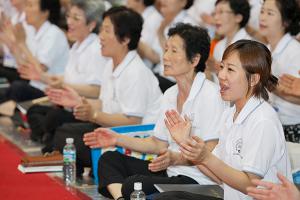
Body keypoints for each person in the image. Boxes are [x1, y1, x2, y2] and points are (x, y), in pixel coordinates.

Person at [83, 23, 225, 200]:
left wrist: (176, 157)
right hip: (170, 171)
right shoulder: (170, 94)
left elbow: (210, 153)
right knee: (109, 159)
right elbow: (158, 144)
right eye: (166, 49)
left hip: (198, 180)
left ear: (195, 60)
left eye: (174, 51)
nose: (165, 56)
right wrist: (116, 138)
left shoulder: (211, 95)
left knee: (133, 184)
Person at [154, 40, 292, 200]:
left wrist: (205, 156)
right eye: (221, 67)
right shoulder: (230, 113)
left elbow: (250, 185)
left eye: (230, 70)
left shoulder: (263, 120)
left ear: (253, 79)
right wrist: (186, 143)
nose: (221, 75)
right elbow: (218, 176)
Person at [45, 6, 162, 176]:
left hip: (136, 140)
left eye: (107, 31)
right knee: (65, 131)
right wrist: (77, 101)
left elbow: (132, 121)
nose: (100, 37)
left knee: (71, 139)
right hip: (113, 130)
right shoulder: (111, 64)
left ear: (125, 39)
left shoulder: (136, 72)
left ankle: (95, 167)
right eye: (101, 30)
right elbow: (104, 103)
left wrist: (93, 115)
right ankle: (90, 167)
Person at [25, 0, 107, 147]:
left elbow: (97, 90)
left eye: (76, 18)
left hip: (83, 111)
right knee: (35, 111)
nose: (69, 22)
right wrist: (47, 80)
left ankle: (50, 137)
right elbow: (69, 77)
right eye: (68, 16)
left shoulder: (96, 49)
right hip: (67, 107)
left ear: (91, 24)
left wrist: (63, 85)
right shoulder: (76, 45)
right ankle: (50, 137)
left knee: (54, 117)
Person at [0, 0, 69, 102]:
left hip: (48, 90)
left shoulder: (54, 35)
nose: (26, 10)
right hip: (33, 84)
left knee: (17, 88)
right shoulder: (36, 31)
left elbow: (40, 70)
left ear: (45, 12)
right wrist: (14, 45)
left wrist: (22, 44)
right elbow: (24, 67)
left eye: (30, 6)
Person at [259, 0, 300, 143]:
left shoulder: (295, 51)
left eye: (270, 13)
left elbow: (297, 96)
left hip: (292, 128)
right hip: (273, 122)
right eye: (262, 11)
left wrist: (265, 80)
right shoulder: (267, 49)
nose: (262, 17)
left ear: (286, 21)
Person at [206, 0, 251, 82]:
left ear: (238, 17)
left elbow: (246, 81)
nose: (216, 17)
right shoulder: (219, 45)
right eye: (214, 13)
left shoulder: (249, 46)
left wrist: (219, 68)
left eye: (221, 12)